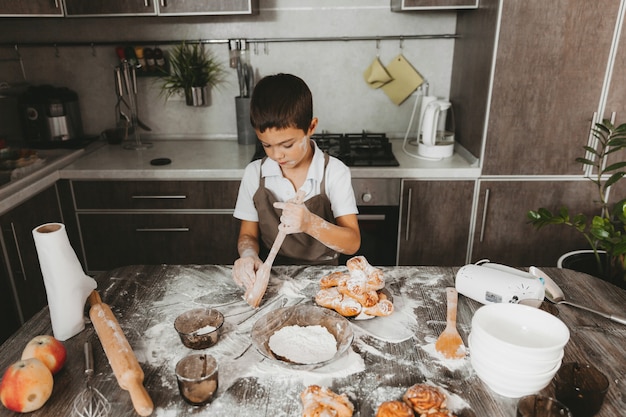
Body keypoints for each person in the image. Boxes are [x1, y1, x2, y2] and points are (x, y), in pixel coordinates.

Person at [232, 73, 361, 291]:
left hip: (325, 277)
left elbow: (352, 243)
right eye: (267, 145)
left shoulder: (334, 172)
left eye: (287, 144)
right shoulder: (255, 174)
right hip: (272, 275)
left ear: (311, 127)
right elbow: (247, 235)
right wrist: (248, 255)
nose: (277, 155)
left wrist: (310, 223)